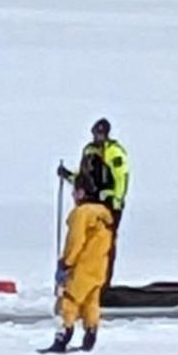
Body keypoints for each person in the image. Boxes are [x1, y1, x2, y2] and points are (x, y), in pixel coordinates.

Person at [42, 176, 114, 353]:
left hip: (81, 267)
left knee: (68, 301)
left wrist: (66, 263)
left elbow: (76, 241)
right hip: (98, 267)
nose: (73, 195)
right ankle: (90, 335)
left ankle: (62, 337)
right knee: (91, 302)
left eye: (75, 191)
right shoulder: (103, 214)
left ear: (82, 192)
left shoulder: (81, 214)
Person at [57, 117, 129, 281]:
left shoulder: (114, 152)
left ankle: (103, 283)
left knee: (104, 245)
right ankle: (81, 280)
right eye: (96, 133)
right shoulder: (89, 151)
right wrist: (68, 176)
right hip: (90, 203)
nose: (98, 137)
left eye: (101, 134)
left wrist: (115, 199)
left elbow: (120, 178)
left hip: (108, 205)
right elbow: (83, 177)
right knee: (85, 242)